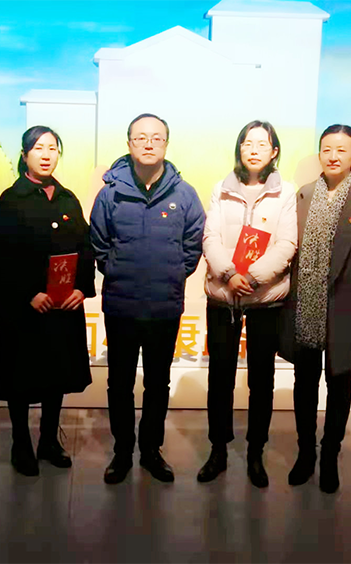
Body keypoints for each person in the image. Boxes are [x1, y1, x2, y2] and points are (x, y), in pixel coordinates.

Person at [89, 113, 206, 484]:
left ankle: (151, 450)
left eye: (157, 137)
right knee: (120, 383)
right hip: (121, 304)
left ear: (166, 144)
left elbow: (194, 242)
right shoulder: (110, 192)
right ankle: (122, 451)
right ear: (129, 144)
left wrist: (173, 273)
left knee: (158, 382)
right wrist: (118, 270)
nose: (149, 143)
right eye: (141, 137)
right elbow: (99, 242)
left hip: (164, 305)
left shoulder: (184, 194)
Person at [279, 124, 351, 493]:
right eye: (327, 149)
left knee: (339, 380)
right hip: (304, 302)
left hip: (344, 303)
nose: (333, 156)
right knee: (304, 381)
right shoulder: (303, 195)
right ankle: (305, 453)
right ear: (319, 154)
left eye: (342, 150)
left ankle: (330, 455)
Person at [197, 121, 297, 488]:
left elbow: (287, 244)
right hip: (223, 297)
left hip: (264, 300)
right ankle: (218, 450)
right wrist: (228, 274)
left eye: (262, 144)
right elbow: (210, 237)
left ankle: (256, 452)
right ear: (239, 149)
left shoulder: (286, 192)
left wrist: (252, 277)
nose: (254, 150)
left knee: (262, 380)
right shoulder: (221, 189)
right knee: (219, 377)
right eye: (247, 143)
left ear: (274, 151)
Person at [0, 126, 94, 476]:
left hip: (62, 307)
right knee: (21, 380)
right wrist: (27, 294)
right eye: (38, 148)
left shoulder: (67, 198)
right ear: (24, 155)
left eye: (52, 148)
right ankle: (21, 443)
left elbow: (85, 247)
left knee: (56, 376)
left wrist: (82, 288)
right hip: (25, 309)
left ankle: (49, 440)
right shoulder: (11, 199)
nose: (46, 154)